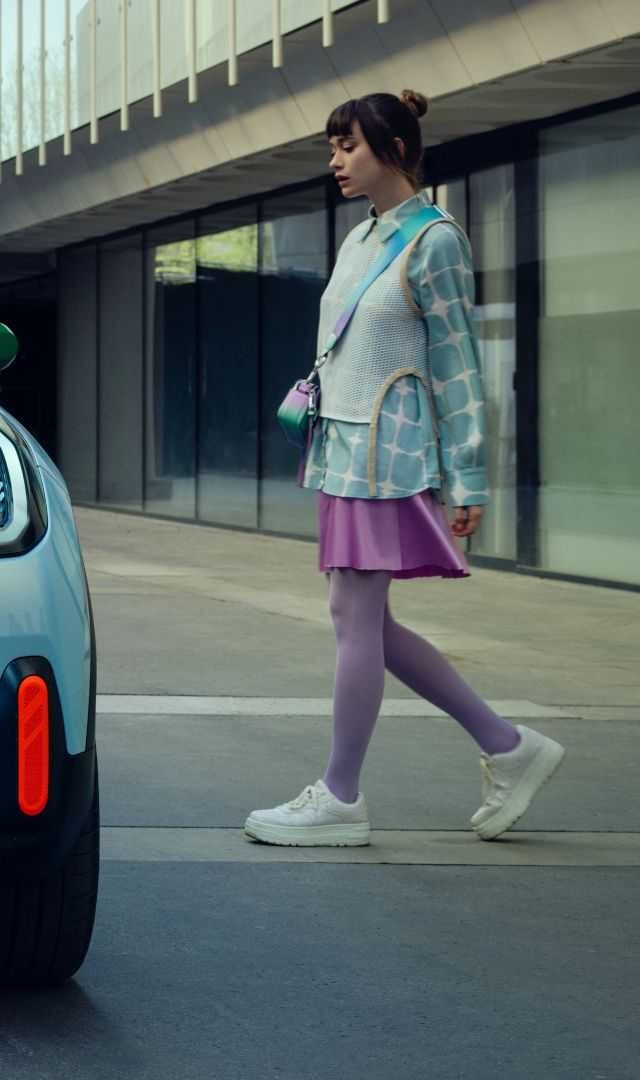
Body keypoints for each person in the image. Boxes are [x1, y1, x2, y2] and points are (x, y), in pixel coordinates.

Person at [244, 90, 565, 847]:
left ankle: (341, 797)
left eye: (347, 146)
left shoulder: (436, 240)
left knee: (355, 619)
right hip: (342, 450)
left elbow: (458, 365)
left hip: (388, 451)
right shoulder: (361, 237)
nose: (335, 160)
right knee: (365, 622)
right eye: (332, 147)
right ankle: (508, 747)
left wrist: (468, 478)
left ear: (393, 149)